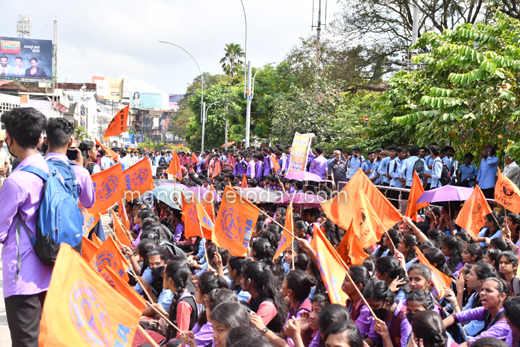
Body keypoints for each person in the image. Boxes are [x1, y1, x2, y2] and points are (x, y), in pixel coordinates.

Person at [0, 107, 49, 347]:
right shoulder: (55, 172)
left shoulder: (16, 181)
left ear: (9, 138)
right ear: (41, 138)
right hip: (54, 270)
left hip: (23, 277)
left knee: (26, 342)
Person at [44, 118, 95, 209]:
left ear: (45, 141)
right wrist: (80, 169)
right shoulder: (81, 173)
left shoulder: (34, 168)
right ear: (70, 142)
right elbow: (88, 203)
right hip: (66, 222)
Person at [443, 277, 510, 346]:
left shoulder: (504, 324)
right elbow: (457, 316)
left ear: (502, 297)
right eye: (482, 289)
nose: (482, 293)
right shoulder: (486, 310)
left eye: (489, 290)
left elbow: (475, 343)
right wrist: (437, 327)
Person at [364, 280, 412, 347]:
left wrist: (385, 335)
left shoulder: (404, 318)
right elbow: (373, 338)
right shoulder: (379, 314)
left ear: (387, 301)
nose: (371, 310)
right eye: (369, 306)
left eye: (375, 306)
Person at [341, 266, 372, 338]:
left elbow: (357, 335)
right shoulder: (350, 303)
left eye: (347, 280)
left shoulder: (365, 308)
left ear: (358, 286)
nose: (343, 283)